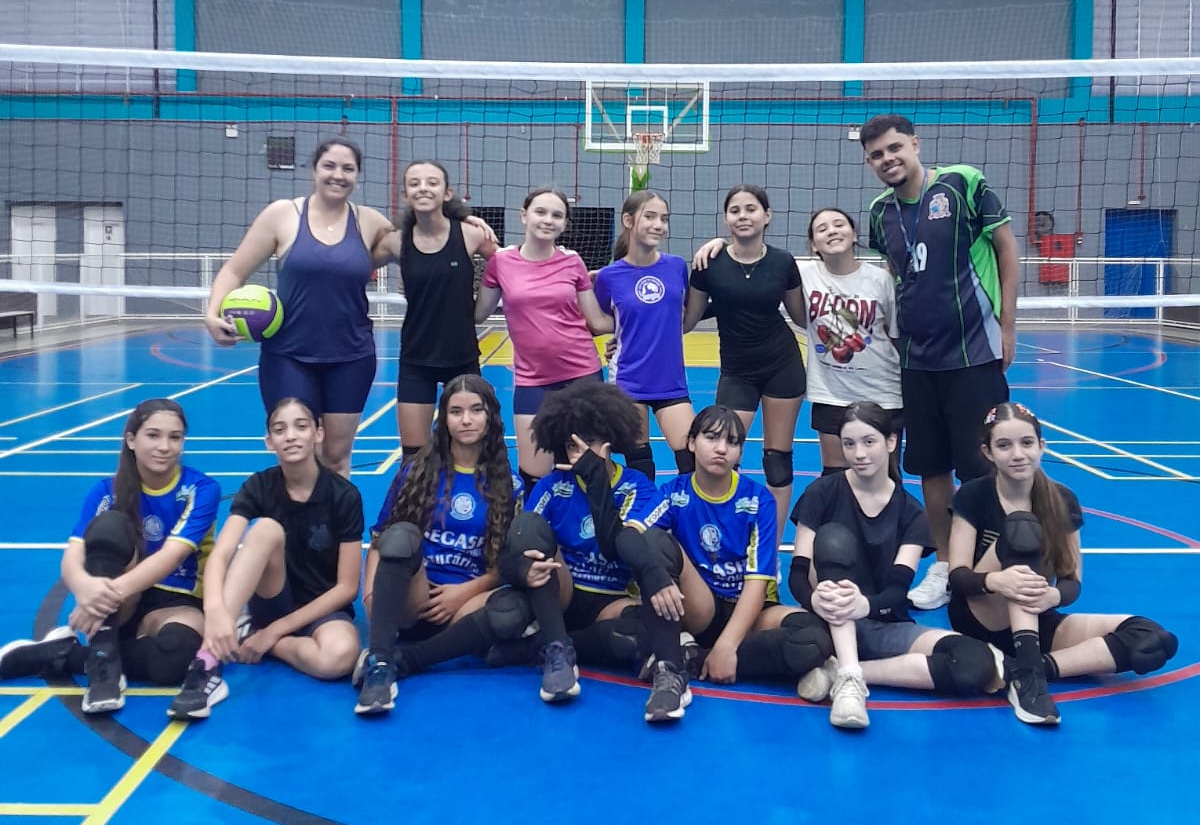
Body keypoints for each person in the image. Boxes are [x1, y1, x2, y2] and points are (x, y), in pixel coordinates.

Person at [860, 114, 1020, 610]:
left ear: (915, 143)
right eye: (876, 155)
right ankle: (948, 565)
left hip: (973, 353)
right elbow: (898, 272)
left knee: (980, 465)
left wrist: (1008, 325)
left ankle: (989, 563)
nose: (887, 159)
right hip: (916, 359)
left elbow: (1007, 249)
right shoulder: (879, 212)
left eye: (894, 148)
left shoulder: (962, 182)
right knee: (931, 467)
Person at [947, 402, 1177, 725]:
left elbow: (1071, 581)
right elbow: (957, 577)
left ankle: (1029, 669)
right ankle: (1030, 684)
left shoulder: (1062, 499)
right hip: (981, 613)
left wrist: (1052, 596)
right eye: (1004, 445)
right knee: (1021, 528)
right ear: (988, 452)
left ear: (1042, 446)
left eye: (1027, 443)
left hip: (1036, 614)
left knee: (1149, 638)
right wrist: (996, 581)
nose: (1018, 454)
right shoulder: (973, 495)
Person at [789, 402, 1004, 729]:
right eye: (849, 444)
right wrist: (813, 600)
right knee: (833, 539)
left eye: (869, 442)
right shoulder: (822, 493)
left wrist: (864, 605)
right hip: (827, 619)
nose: (859, 453)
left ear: (890, 442)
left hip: (880, 622)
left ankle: (845, 672)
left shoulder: (911, 512)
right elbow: (798, 573)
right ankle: (849, 682)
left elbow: (897, 591)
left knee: (974, 661)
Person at [0, 399, 219, 715]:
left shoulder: (200, 489)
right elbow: (73, 555)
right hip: (124, 603)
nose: (165, 446)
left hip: (178, 601)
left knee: (173, 659)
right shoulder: (105, 491)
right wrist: (85, 590)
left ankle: (64, 654)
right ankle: (104, 668)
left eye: (175, 437)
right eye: (153, 435)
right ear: (131, 440)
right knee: (109, 527)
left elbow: (171, 557)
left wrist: (102, 598)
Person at [495, 381, 692, 723]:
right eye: (573, 444)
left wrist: (597, 479)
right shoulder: (553, 486)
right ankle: (557, 651)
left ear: (609, 443)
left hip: (611, 599)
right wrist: (521, 569)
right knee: (526, 535)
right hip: (564, 592)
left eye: (590, 443)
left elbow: (617, 547)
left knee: (633, 636)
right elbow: (516, 549)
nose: (581, 452)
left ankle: (542, 645)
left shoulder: (637, 487)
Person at [203, 137, 394, 479]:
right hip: (288, 357)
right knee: (297, 454)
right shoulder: (282, 215)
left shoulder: (369, 221)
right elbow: (233, 271)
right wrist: (212, 313)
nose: (338, 175)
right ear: (314, 170)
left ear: (357, 175)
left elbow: (423, 239)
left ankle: (334, 516)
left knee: (336, 457)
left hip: (351, 357)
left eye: (348, 168)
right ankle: (295, 516)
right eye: (329, 166)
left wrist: (468, 224)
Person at [167, 397, 364, 720]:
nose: (291, 436)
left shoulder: (344, 495)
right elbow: (221, 554)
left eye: (301, 426)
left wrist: (272, 634)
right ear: (269, 441)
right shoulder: (259, 485)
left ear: (318, 433)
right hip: (272, 599)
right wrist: (216, 612)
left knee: (340, 656)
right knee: (265, 529)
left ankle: (256, 639)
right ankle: (207, 663)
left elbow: (346, 588)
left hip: (320, 607)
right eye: (280, 429)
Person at [354, 374, 525, 715]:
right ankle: (380, 664)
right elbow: (380, 539)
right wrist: (372, 595)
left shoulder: (510, 484)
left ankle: (409, 659)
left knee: (516, 606)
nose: (466, 420)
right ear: (443, 418)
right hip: (415, 595)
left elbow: (502, 568)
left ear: (490, 416)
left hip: (465, 604)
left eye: (476, 410)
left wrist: (463, 593)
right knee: (401, 536)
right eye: (456, 411)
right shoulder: (416, 471)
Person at [640, 406, 834, 696]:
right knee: (655, 542)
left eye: (732, 442)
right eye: (711, 438)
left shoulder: (758, 499)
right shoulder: (674, 493)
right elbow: (635, 537)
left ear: (741, 452)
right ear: (691, 443)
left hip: (750, 610)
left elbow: (758, 581)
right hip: (700, 607)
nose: (722, 449)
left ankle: (695, 658)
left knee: (813, 638)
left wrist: (728, 645)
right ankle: (706, 652)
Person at [689, 185, 808, 544]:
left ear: (766, 216)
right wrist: (626, 328)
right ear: (726, 219)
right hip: (736, 371)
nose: (743, 216)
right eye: (735, 210)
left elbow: (803, 317)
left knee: (777, 460)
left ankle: (769, 547)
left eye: (751, 209)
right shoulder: (708, 263)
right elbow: (687, 320)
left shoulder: (783, 262)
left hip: (782, 365)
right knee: (722, 455)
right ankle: (726, 541)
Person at [474, 187, 611, 495]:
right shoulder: (501, 262)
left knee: (590, 467)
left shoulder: (572, 262)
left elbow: (597, 322)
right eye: (541, 212)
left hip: (582, 374)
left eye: (557, 215)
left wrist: (646, 318)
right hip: (532, 380)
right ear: (524, 216)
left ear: (564, 224)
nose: (548, 220)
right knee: (534, 474)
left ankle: (593, 524)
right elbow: (477, 313)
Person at [371, 160, 498, 461]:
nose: (423, 188)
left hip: (462, 358)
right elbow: (353, 264)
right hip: (416, 360)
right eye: (414, 183)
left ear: (447, 193)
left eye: (432, 182)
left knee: (473, 451)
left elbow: (509, 266)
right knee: (414, 457)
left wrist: (483, 308)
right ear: (405, 194)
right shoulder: (396, 241)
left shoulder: (470, 234)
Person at [592, 190, 694, 482]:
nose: (658, 225)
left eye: (663, 218)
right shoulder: (609, 277)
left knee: (691, 458)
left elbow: (683, 314)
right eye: (650, 217)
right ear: (628, 220)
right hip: (628, 380)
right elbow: (601, 323)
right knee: (640, 466)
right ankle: (643, 512)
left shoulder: (676, 267)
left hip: (670, 381)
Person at [799, 208, 902, 475]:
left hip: (881, 393)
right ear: (813, 245)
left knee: (885, 478)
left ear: (854, 234)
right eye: (822, 229)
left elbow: (894, 335)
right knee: (836, 478)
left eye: (839, 224)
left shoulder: (880, 280)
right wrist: (719, 243)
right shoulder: (804, 275)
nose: (832, 231)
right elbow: (758, 257)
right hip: (831, 393)